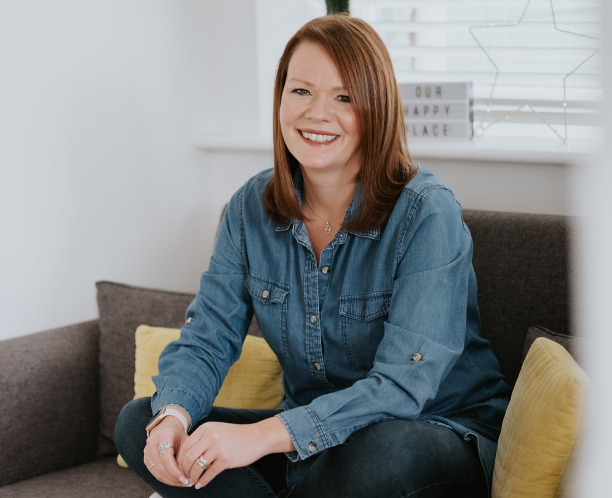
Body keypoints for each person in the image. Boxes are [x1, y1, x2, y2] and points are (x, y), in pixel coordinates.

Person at [115, 14, 512, 498]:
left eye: (343, 97)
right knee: (142, 421)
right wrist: (174, 417)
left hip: (432, 431)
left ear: (376, 109)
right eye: (301, 91)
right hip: (309, 446)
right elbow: (208, 337)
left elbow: (403, 388)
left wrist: (257, 439)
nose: (317, 113)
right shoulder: (248, 209)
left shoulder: (426, 213)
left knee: (380, 452)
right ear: (281, 98)